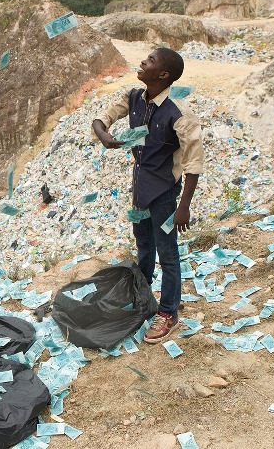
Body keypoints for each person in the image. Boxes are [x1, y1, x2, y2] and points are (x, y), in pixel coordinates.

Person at [92, 48, 205, 344]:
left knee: (167, 253)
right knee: (143, 246)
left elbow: (193, 164)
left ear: (163, 75)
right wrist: (104, 136)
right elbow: (101, 120)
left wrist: (184, 207)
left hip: (165, 194)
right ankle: (142, 299)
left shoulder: (179, 114)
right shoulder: (133, 98)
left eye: (151, 60)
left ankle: (168, 312)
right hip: (140, 189)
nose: (143, 62)